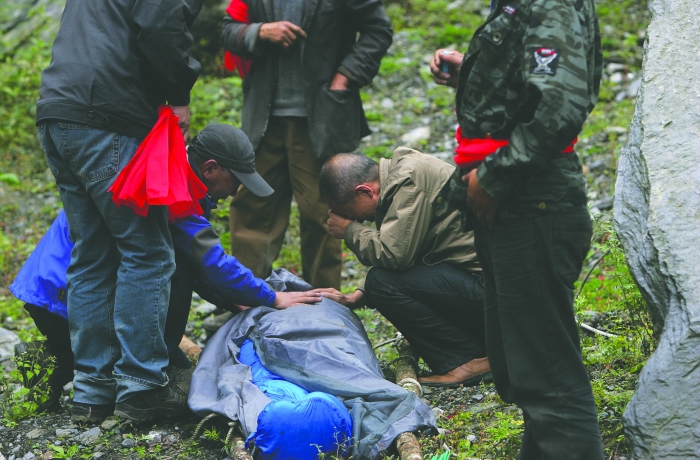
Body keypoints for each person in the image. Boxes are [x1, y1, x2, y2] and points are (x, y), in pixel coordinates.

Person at [11, 124, 321, 420]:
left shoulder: (173, 169)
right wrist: (271, 297)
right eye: (236, 180)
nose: (237, 190)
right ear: (210, 169)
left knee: (176, 357)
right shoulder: (169, 183)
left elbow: (203, 263)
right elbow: (209, 260)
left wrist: (236, 300)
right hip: (65, 300)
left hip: (52, 297)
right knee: (174, 276)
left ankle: (54, 359)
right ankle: (120, 380)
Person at [429, 0, 605, 457]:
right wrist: (473, 70)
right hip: (511, 206)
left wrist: (494, 177)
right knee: (521, 368)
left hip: (531, 201)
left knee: (549, 381)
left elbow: (560, 105)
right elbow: (532, 83)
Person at [35, 0, 203, 422]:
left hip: (58, 112)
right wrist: (180, 95)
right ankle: (142, 387)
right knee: (147, 253)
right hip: (106, 115)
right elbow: (161, 26)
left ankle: (93, 390)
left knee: (92, 251)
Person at [222, 0, 393, 289]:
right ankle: (246, 301)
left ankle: (324, 304)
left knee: (323, 212)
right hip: (263, 116)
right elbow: (229, 30)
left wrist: (346, 77)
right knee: (251, 206)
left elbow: (378, 29)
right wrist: (260, 31)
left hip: (320, 118)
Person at [316, 150, 491, 387]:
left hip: (495, 295)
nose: (355, 221)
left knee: (381, 282)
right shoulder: (400, 177)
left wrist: (350, 230)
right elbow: (413, 249)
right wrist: (361, 294)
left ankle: (469, 358)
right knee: (378, 283)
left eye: (348, 214)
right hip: (488, 288)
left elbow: (395, 256)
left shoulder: (408, 182)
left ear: (365, 191)